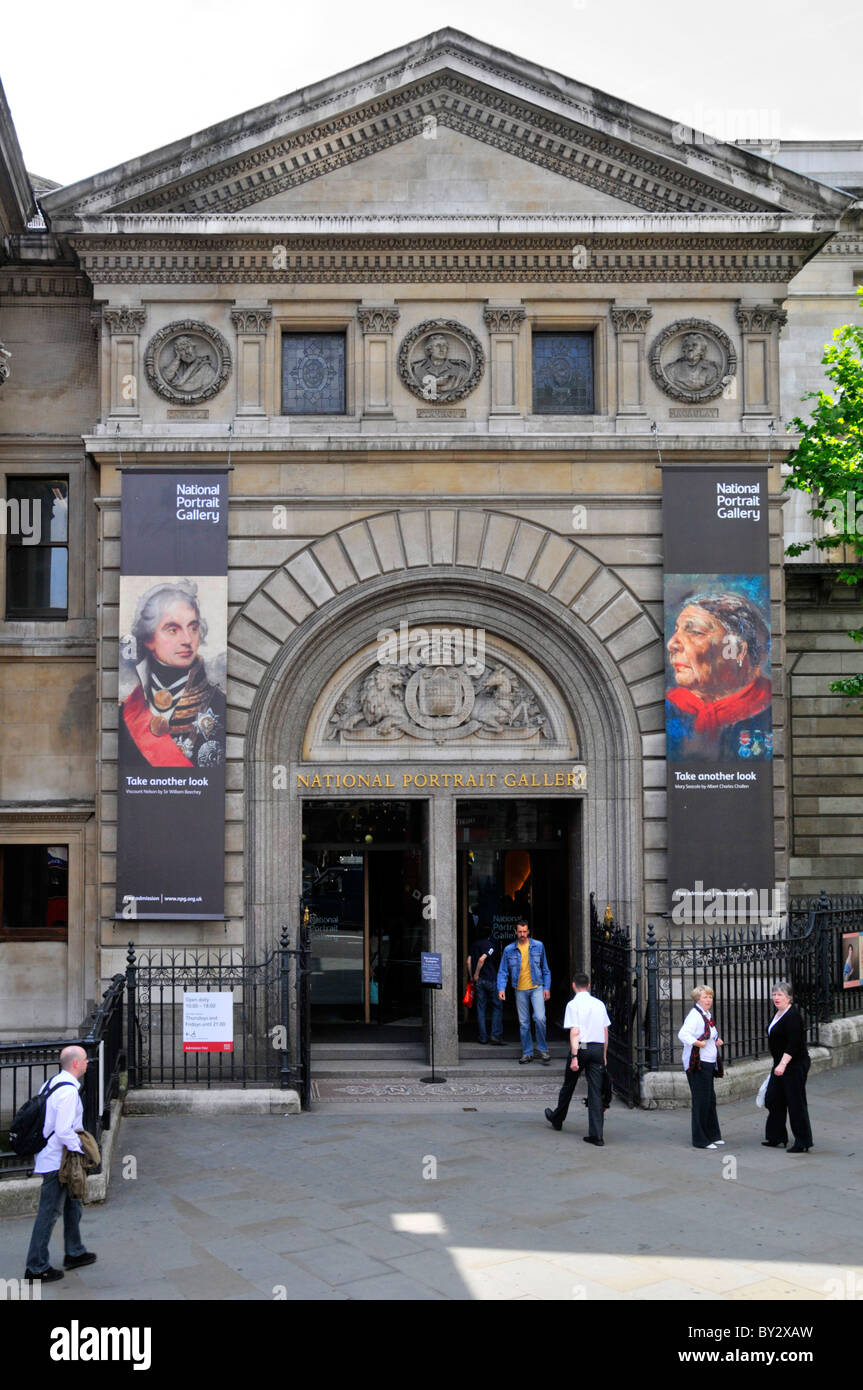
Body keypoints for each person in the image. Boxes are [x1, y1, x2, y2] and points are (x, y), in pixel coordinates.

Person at [119, 579, 225, 768]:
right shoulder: (128, 712)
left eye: (193, 628)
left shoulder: (218, 704)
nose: (187, 639)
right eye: (173, 629)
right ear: (148, 638)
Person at [666, 591, 772, 762]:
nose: (672, 644)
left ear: (737, 650)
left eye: (694, 632)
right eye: (676, 631)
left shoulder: (767, 707)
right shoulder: (670, 707)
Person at [24, 1045, 96, 1282]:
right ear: (76, 1063)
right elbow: (64, 1131)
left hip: (54, 1157)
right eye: (85, 1059)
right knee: (49, 1212)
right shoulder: (68, 1093)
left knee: (73, 1203)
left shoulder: (51, 1083)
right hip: (58, 1161)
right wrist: (82, 1148)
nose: (88, 1062)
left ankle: (74, 1251)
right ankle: (36, 1267)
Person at [545, 973, 611, 1145]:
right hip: (597, 1048)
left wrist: (574, 1056)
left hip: (582, 1046)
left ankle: (558, 1118)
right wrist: (604, 1054)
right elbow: (605, 1031)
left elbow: (574, 1031)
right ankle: (597, 1135)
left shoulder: (573, 1005)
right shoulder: (599, 1004)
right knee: (596, 1092)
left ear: (574, 985)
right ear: (588, 985)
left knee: (569, 1085)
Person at [763, 981, 813, 1153]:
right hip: (780, 1063)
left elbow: (794, 1043)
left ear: (789, 998)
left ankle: (803, 1141)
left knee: (795, 1102)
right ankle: (776, 1136)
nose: (776, 997)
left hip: (794, 1064)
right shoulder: (778, 1013)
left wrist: (783, 1064)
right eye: (774, 994)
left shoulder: (793, 1016)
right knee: (773, 1098)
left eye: (780, 995)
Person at [497, 919, 551, 1064]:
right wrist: (501, 988)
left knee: (540, 1018)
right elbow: (503, 971)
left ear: (528, 931)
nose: (522, 934)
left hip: (536, 987)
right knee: (524, 1023)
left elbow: (545, 969)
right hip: (519, 989)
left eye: (524, 931)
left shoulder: (538, 946)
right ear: (515, 932)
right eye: (519, 932)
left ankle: (542, 1050)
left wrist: (547, 988)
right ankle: (527, 1052)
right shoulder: (509, 950)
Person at [678, 985, 725, 1150]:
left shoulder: (706, 1014)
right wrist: (699, 1043)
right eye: (705, 997)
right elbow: (683, 1034)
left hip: (708, 1062)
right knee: (701, 1101)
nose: (708, 1000)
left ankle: (713, 1135)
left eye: (710, 997)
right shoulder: (695, 1016)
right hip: (697, 1064)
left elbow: (710, 1032)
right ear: (698, 999)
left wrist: (716, 1040)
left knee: (709, 1100)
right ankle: (700, 1139)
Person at [467, 928, 503, 1045]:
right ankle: (495, 1035)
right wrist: (477, 973)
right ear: (490, 934)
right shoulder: (491, 945)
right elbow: (482, 959)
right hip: (490, 979)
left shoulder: (474, 945)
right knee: (497, 1006)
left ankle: (482, 1037)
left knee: (481, 1008)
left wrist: (472, 976)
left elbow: (468, 961)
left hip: (479, 982)